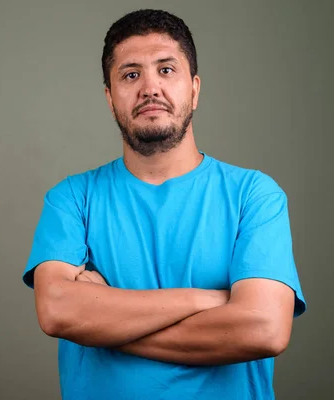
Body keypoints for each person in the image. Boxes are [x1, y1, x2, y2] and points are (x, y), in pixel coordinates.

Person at [22, 9, 306, 400]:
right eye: (131, 74)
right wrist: (208, 300)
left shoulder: (254, 196)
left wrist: (106, 326)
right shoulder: (72, 199)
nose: (150, 88)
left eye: (167, 70)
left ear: (194, 88)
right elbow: (57, 311)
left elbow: (265, 330)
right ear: (109, 97)